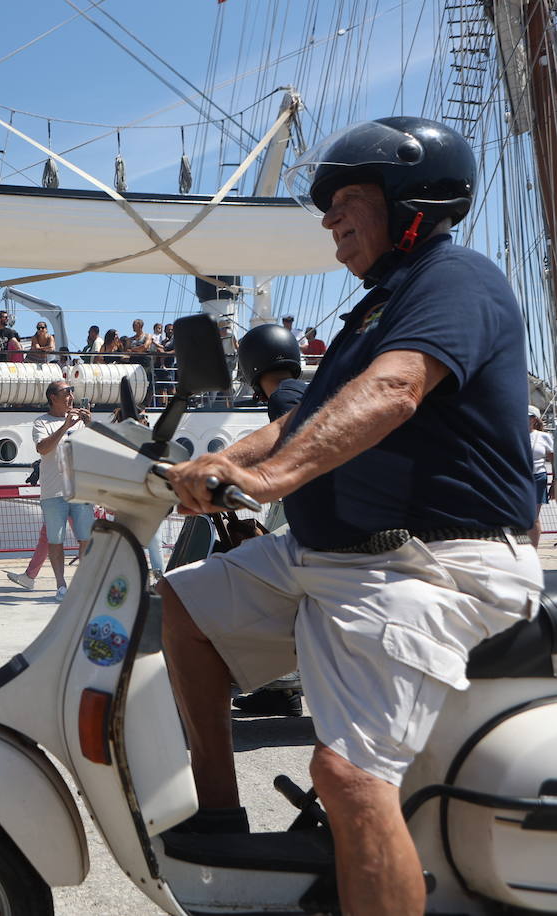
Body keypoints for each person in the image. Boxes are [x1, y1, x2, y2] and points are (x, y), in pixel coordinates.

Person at [156, 117, 540, 916]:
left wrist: (272, 480)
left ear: (412, 202)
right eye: (327, 207)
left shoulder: (455, 279)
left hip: (433, 563)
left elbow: (395, 390)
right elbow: (299, 421)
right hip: (335, 557)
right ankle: (221, 815)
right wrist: (218, 464)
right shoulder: (374, 312)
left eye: (348, 199)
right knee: (184, 605)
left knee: (349, 777)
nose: (330, 218)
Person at [227, 323, 309, 717]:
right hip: (314, 521)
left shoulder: (286, 397)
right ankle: (281, 691)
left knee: (241, 579)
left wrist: (225, 470)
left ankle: (280, 680)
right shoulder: (305, 390)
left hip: (319, 535)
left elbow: (287, 438)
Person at [31, 380, 94, 599]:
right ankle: (61, 586)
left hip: (80, 490)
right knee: (55, 541)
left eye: (71, 392)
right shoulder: (41, 422)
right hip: (53, 493)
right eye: (66, 392)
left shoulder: (81, 422)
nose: (71, 396)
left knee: (86, 538)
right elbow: (43, 448)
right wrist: (65, 426)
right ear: (53, 398)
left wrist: (91, 425)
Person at [528, 404, 553, 547]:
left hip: (538, 477)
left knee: (533, 517)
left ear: (534, 419)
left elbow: (553, 459)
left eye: (528, 417)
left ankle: (533, 550)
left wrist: (555, 481)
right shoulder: (514, 434)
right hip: (519, 478)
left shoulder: (544, 437)